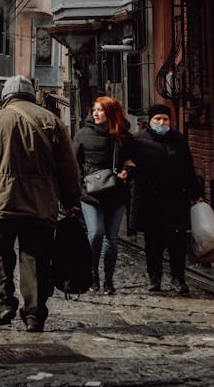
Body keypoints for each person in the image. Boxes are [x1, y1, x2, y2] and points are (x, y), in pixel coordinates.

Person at [0, 75, 81, 333]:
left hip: (0, 204)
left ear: (6, 97)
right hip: (40, 206)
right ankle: (34, 314)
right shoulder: (52, 122)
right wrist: (71, 200)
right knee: (35, 258)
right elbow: (68, 167)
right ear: (32, 95)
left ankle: (3, 304)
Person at [124, 104, 203, 295]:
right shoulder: (138, 140)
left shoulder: (179, 140)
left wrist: (196, 193)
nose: (161, 123)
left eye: (165, 119)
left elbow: (188, 169)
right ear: (150, 121)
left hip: (176, 199)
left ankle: (178, 278)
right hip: (150, 200)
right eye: (157, 119)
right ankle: (155, 277)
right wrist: (128, 172)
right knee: (153, 243)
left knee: (177, 243)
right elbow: (129, 164)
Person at [72, 96, 132, 295]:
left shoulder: (123, 136)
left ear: (111, 113)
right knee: (95, 233)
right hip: (91, 194)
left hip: (116, 193)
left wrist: (127, 172)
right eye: (94, 110)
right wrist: (80, 185)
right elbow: (74, 163)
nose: (96, 113)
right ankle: (92, 274)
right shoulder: (82, 134)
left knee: (111, 239)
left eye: (101, 110)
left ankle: (108, 279)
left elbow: (133, 162)